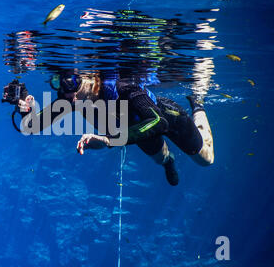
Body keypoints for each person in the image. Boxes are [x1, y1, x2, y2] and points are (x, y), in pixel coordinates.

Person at [13, 71, 214, 186]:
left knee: (206, 160)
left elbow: (159, 122)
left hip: (169, 117)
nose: (70, 97)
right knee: (160, 158)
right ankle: (169, 162)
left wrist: (109, 141)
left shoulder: (123, 88)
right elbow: (33, 126)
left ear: (87, 81)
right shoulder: (71, 99)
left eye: (74, 87)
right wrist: (25, 109)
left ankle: (198, 104)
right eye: (63, 92)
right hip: (137, 132)